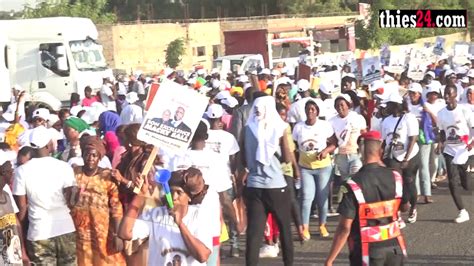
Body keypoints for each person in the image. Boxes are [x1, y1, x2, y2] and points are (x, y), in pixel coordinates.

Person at [325, 130, 408, 266]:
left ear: (361, 153)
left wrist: (330, 259)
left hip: (367, 252)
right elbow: (404, 206)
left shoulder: (353, 184)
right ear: (381, 151)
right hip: (395, 248)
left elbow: (345, 228)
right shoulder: (396, 177)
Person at [118, 168, 213, 265]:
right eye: (171, 191)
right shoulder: (154, 215)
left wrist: (180, 224)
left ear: (189, 197)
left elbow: (203, 256)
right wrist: (140, 196)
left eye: (179, 193)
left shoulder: (199, 215)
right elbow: (124, 233)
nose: (174, 197)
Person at [13, 126, 77, 265]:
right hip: (66, 227)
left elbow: (22, 207)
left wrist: (21, 233)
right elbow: (72, 201)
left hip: (38, 232)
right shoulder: (64, 167)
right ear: (48, 145)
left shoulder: (21, 171)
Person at [242, 95, 294, 266]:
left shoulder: (248, 128)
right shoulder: (278, 128)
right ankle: (288, 263)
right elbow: (287, 159)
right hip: (276, 185)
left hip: (254, 185)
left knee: (254, 234)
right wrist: (283, 137)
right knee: (285, 229)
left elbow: (243, 158)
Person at [70, 136, 125, 265]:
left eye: (94, 156)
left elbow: (116, 208)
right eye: (87, 155)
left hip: (102, 232)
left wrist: (117, 235)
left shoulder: (107, 177)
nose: (90, 158)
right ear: (82, 155)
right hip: (79, 233)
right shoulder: (74, 173)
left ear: (99, 158)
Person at [293, 99, 337, 239]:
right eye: (308, 109)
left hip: (323, 167)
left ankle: (322, 225)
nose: (310, 111)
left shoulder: (324, 125)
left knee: (322, 198)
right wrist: (296, 167)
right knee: (306, 197)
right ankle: (305, 228)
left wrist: (325, 151)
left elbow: (334, 143)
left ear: (317, 111)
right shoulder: (298, 127)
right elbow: (293, 147)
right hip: (305, 167)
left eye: (313, 109)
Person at [436, 85, 473, 223]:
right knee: (452, 181)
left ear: (455, 95)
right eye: (445, 93)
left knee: (467, 185)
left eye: (449, 94)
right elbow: (441, 131)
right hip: (450, 150)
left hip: (464, 150)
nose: (446, 96)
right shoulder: (441, 113)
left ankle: (467, 179)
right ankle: (462, 212)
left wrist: (471, 144)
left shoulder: (464, 110)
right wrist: (440, 143)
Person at [381, 93, 420, 224]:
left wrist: (406, 158)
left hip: (410, 155)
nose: (386, 107)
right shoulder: (386, 121)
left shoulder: (409, 118)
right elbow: (384, 140)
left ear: (396, 105)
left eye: (389, 104)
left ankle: (413, 208)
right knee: (395, 186)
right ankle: (397, 215)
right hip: (393, 155)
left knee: (409, 182)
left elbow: (413, 138)